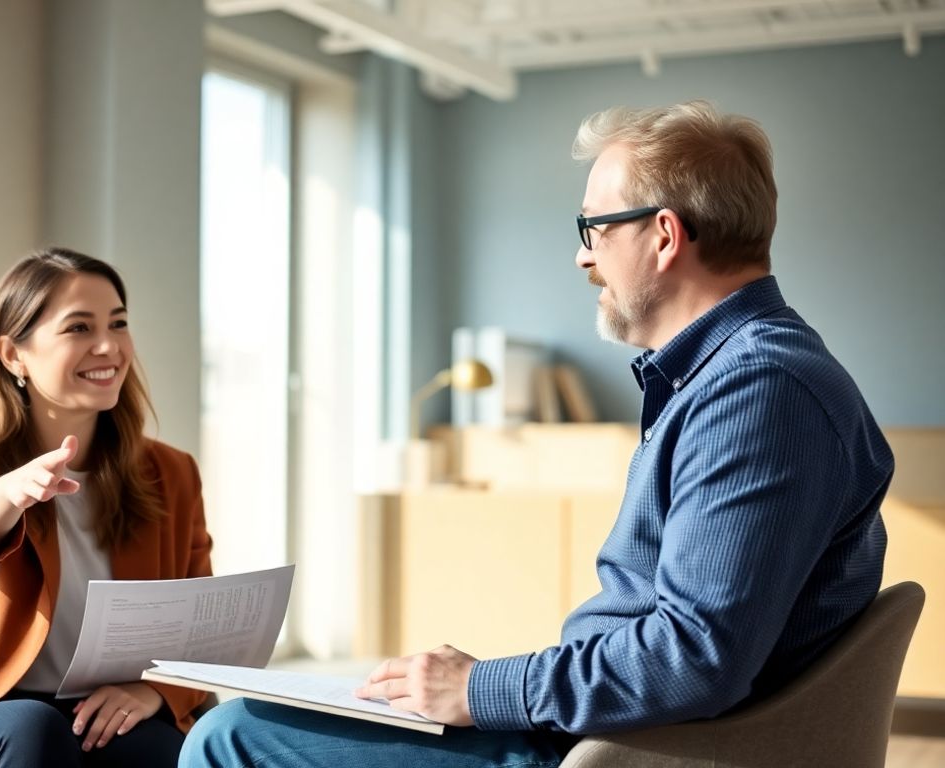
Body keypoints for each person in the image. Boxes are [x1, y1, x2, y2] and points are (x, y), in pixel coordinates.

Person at [180, 101, 892, 768]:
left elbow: (693, 656)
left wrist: (478, 690)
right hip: (617, 730)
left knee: (229, 736)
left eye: (596, 228)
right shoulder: (744, 377)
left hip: (631, 750)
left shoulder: (758, 392)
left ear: (665, 236)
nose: (584, 257)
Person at [0, 248, 213, 768]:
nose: (108, 346)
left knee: (164, 748)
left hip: (100, 705)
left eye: (118, 323)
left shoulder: (171, 472)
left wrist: (154, 693)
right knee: (34, 731)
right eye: (79, 328)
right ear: (13, 355)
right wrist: (9, 492)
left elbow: (199, 628)